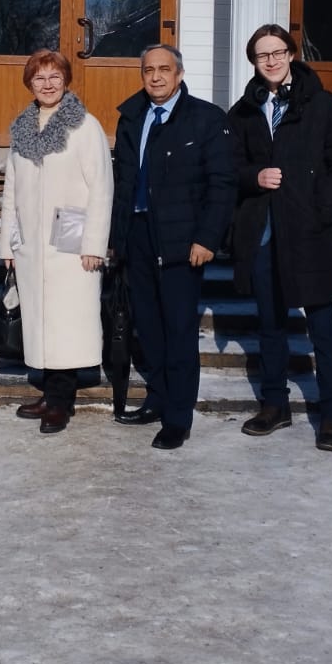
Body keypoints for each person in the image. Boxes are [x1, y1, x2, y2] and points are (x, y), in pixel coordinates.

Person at [228, 24, 332, 451]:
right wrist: (254, 176)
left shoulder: (322, 105)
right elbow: (229, 167)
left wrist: (322, 209)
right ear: (254, 62)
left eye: (277, 52)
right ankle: (275, 404)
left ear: (290, 54)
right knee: (270, 325)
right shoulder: (244, 112)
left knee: (322, 327)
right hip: (264, 233)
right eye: (261, 55)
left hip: (309, 232)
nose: (270, 61)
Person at [109, 45, 236, 450]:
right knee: (148, 328)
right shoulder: (133, 116)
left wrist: (207, 238)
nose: (156, 77)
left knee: (179, 330)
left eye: (164, 69)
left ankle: (178, 418)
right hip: (138, 235)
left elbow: (222, 184)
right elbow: (122, 182)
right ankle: (158, 399)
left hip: (182, 241)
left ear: (179, 74)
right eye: (149, 70)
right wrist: (115, 239)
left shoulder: (205, 119)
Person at [0, 50, 113, 434]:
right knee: (40, 322)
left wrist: (94, 244)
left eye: (54, 77)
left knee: (67, 322)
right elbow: (12, 191)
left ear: (66, 81)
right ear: (29, 83)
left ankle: (61, 403)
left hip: (72, 237)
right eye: (39, 78)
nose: (47, 85)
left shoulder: (85, 126)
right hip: (31, 244)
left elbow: (101, 188)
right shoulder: (22, 129)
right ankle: (49, 394)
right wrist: (8, 245)